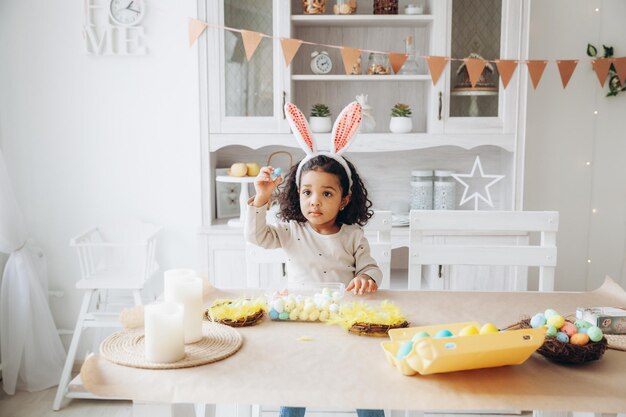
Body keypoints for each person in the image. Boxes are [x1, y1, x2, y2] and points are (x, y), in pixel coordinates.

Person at [244, 102, 384, 417]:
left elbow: (369, 266)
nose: (314, 201)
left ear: (344, 199)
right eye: (307, 192)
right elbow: (257, 237)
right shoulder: (290, 230)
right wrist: (263, 197)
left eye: (326, 194)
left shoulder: (352, 235)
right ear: (297, 194)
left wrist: (367, 278)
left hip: (345, 320)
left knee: (366, 378)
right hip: (297, 319)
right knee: (296, 381)